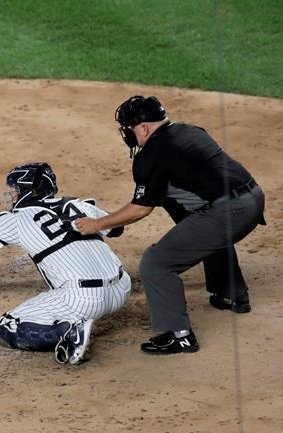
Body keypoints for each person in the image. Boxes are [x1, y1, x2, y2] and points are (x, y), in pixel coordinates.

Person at [74, 95, 266, 355]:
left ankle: (179, 336)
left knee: (156, 263)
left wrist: (98, 223)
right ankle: (231, 294)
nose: (127, 135)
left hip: (228, 213)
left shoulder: (151, 155)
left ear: (142, 128)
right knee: (199, 223)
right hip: (254, 198)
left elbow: (140, 209)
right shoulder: (191, 131)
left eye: (128, 129)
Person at [0, 162, 131, 364]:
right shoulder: (78, 205)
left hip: (84, 300)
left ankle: (69, 330)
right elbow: (116, 228)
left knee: (6, 327)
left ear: (28, 190)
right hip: (122, 289)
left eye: (15, 189)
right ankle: (76, 323)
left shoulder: (15, 220)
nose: (12, 194)